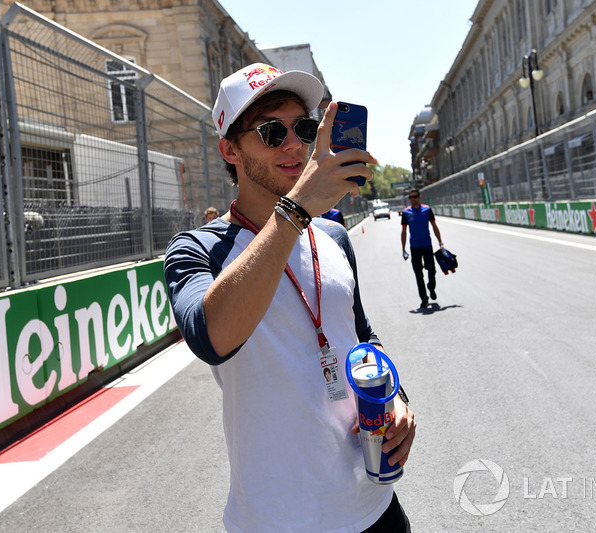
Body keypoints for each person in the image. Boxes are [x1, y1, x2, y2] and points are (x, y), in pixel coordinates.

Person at [164, 63, 415, 533]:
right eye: (271, 130)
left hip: (375, 507)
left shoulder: (334, 236)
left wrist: (397, 396)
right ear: (230, 149)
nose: (294, 144)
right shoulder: (197, 249)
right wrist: (296, 209)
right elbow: (211, 338)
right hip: (276, 520)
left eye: (303, 127)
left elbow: (361, 335)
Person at [401, 188, 444, 308]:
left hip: (427, 245)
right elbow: (403, 232)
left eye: (415, 197)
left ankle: (431, 287)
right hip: (414, 247)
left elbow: (434, 226)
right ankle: (424, 299)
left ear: (419, 197)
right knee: (418, 275)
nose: (413, 199)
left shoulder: (427, 210)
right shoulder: (406, 213)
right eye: (410, 197)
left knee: (431, 270)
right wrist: (403, 249)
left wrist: (440, 241)